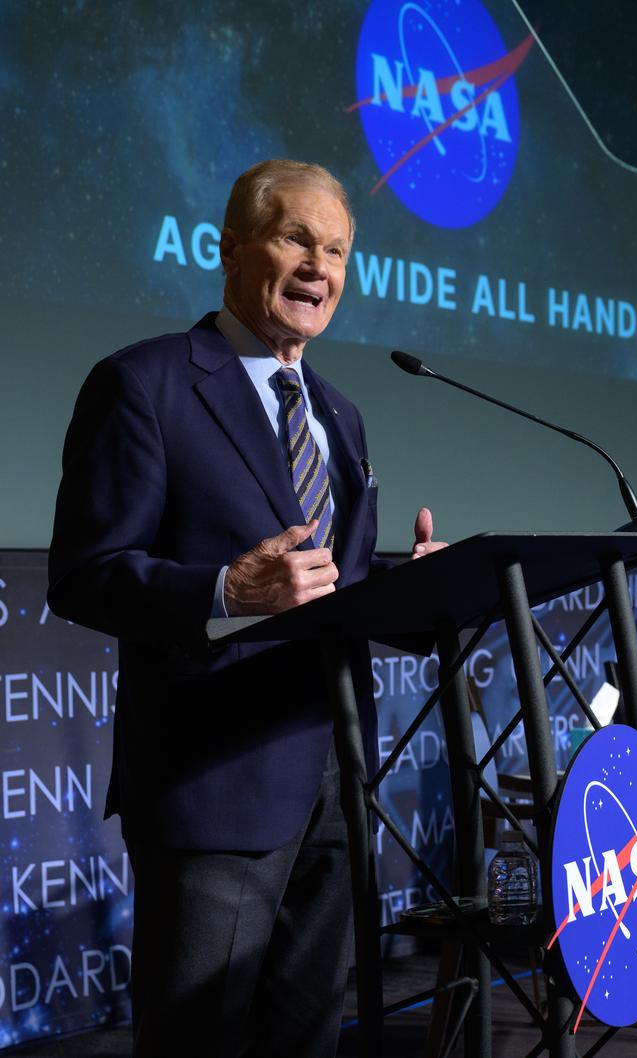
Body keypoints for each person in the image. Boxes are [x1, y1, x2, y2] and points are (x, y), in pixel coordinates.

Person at [47, 159, 445, 1057]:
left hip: (338, 784)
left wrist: (419, 586)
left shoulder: (339, 416)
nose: (320, 265)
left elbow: (328, 588)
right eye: (297, 238)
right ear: (231, 248)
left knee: (304, 1041)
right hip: (213, 788)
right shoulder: (143, 384)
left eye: (337, 249)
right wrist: (225, 591)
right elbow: (84, 572)